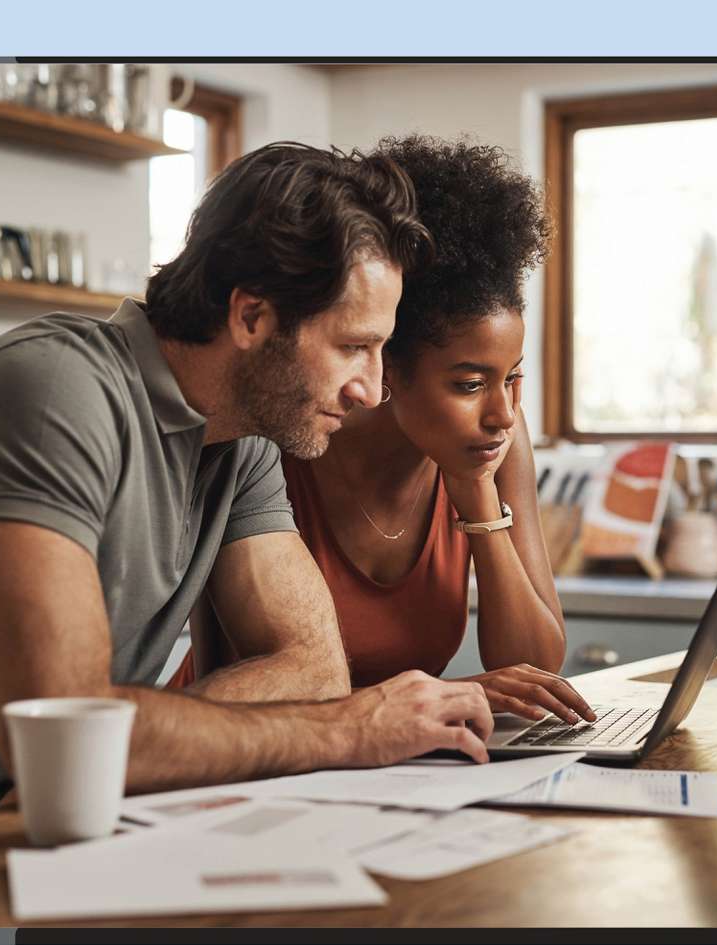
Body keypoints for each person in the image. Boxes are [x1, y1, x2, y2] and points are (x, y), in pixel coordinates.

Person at [0, 142, 494, 826]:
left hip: (41, 815)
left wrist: (132, 743)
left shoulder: (240, 440)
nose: (372, 390)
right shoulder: (51, 394)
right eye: (353, 347)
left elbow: (314, 669)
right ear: (252, 317)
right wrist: (350, 730)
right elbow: (63, 735)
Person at [174, 136, 591, 726]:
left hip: (390, 761)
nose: (502, 413)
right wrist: (448, 696)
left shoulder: (491, 443)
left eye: (513, 379)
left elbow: (537, 668)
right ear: (387, 363)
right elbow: (251, 673)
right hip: (244, 745)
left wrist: (475, 498)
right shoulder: (287, 435)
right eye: (470, 385)